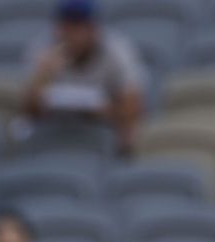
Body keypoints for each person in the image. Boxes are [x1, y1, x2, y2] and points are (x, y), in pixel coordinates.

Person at [20, 0, 145, 155]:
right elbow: (28, 112)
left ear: (93, 29)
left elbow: (134, 109)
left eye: (77, 26)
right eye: (65, 26)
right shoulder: (45, 50)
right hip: (56, 129)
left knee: (131, 134)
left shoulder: (117, 52)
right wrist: (43, 76)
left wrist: (106, 111)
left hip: (104, 129)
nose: (70, 34)